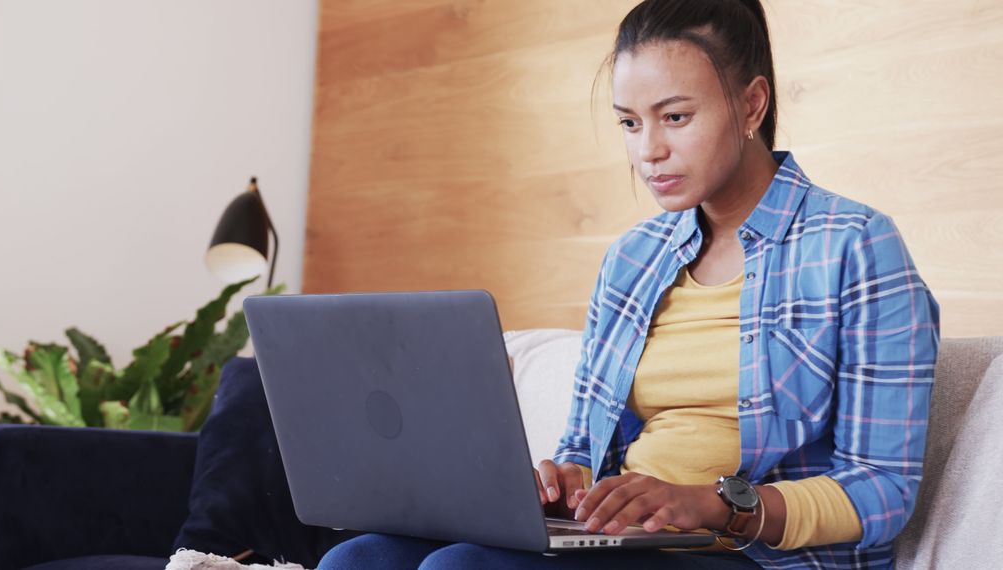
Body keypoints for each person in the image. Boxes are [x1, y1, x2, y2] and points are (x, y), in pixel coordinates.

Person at [320, 0, 940, 568]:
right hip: (629, 541)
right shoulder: (633, 259)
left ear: (752, 105)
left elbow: (883, 489)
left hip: (751, 556)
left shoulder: (853, 245)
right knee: (359, 559)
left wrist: (715, 504)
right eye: (629, 123)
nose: (649, 151)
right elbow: (580, 447)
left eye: (674, 116)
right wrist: (564, 480)